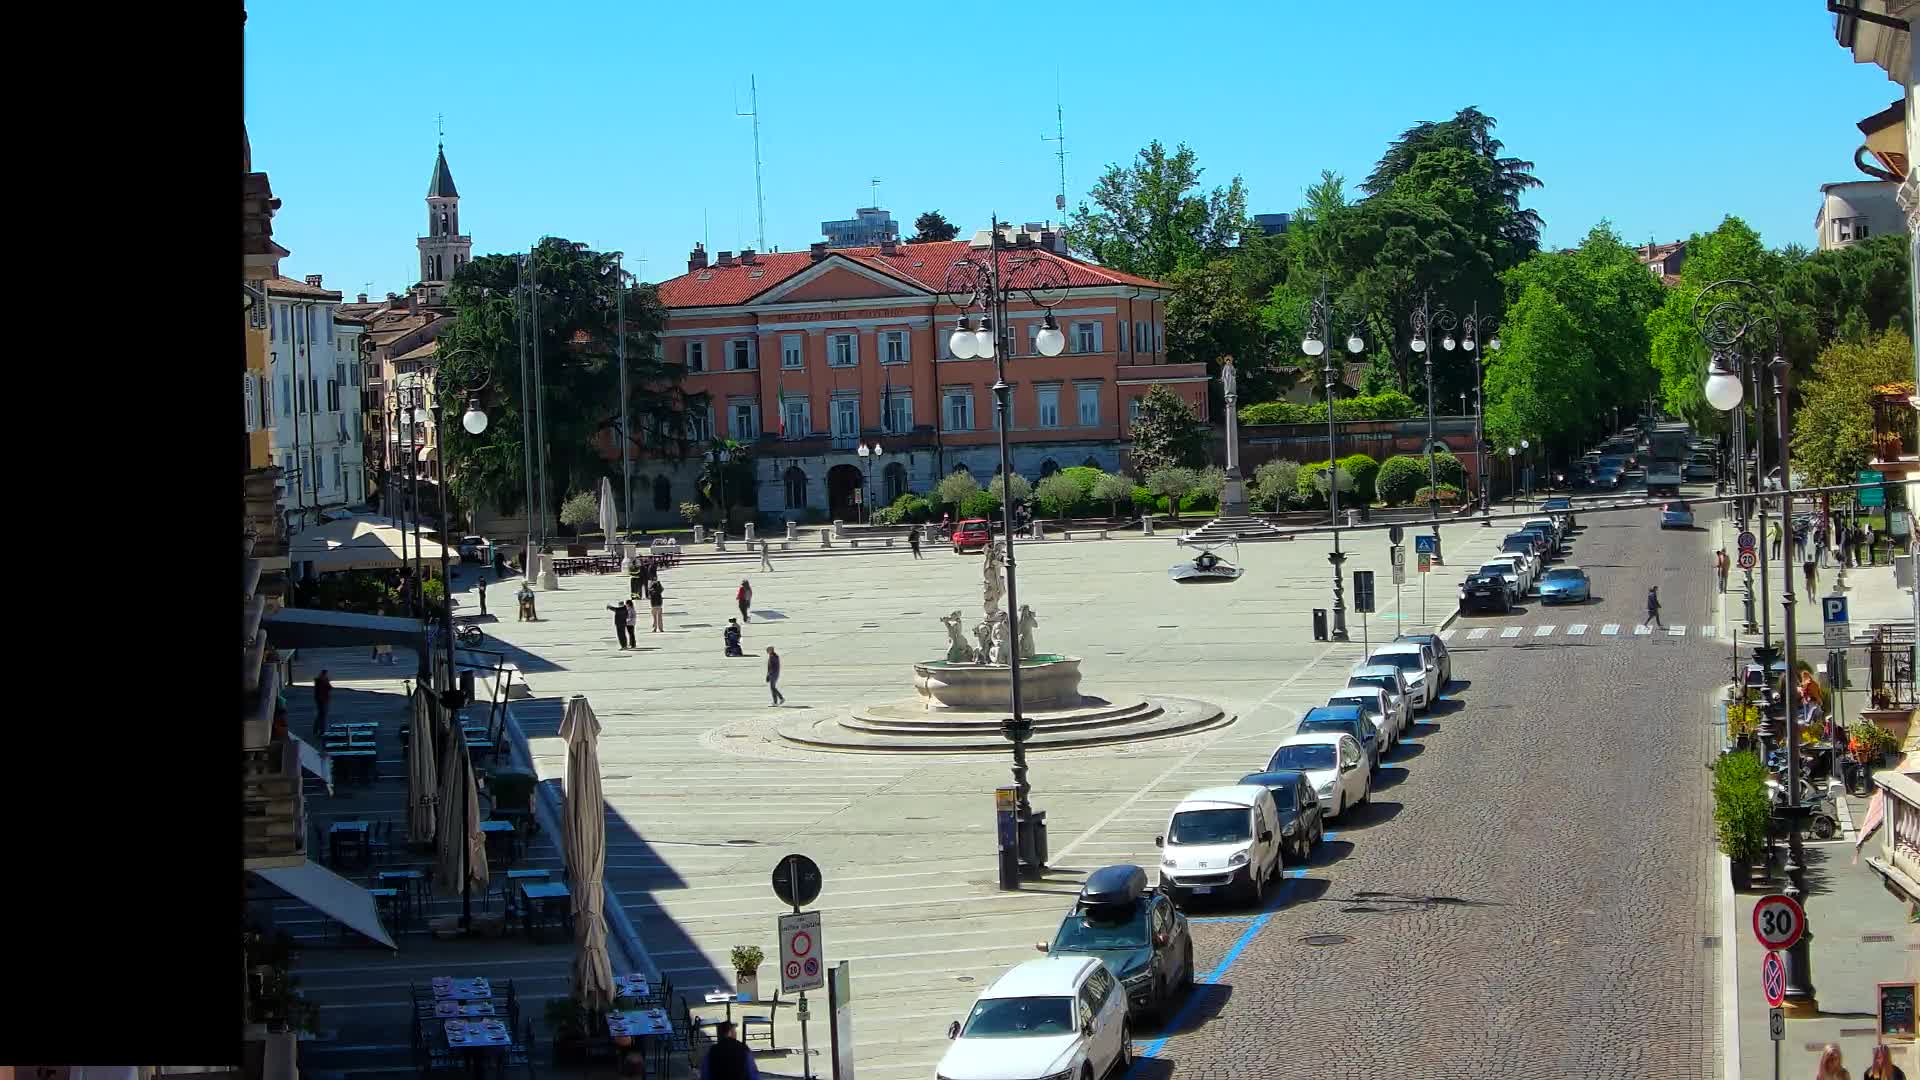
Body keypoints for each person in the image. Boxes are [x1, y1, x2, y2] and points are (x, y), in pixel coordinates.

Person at [312, 670, 333, 736]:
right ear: (324, 674)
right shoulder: (323, 681)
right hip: (323, 700)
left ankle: (316, 729)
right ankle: (322, 730)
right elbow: (329, 688)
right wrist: (327, 681)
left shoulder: (318, 680)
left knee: (320, 715)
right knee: (323, 716)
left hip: (320, 700)